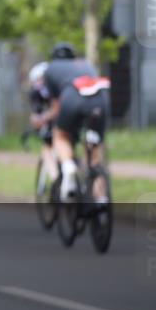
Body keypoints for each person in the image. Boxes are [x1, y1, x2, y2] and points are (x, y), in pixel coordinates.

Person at [32, 43, 111, 202]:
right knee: (94, 154)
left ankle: (68, 167)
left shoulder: (51, 69)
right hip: (101, 100)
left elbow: (56, 107)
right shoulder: (85, 64)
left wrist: (42, 119)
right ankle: (101, 200)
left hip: (72, 98)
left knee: (60, 136)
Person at [26, 61, 57, 189]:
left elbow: (40, 116)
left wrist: (42, 118)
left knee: (46, 149)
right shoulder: (37, 92)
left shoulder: (44, 91)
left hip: (58, 123)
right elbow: (36, 114)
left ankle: (56, 179)